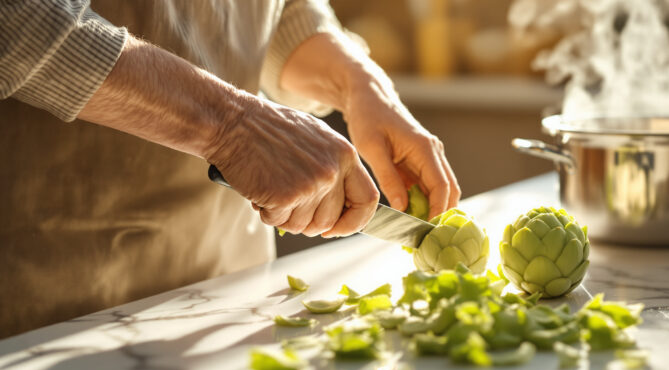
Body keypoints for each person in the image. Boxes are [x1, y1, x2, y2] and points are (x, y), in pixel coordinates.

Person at [0, 0, 460, 338]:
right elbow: (17, 19)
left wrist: (358, 81)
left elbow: (270, 11)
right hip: (51, 306)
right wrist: (232, 124)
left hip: (230, 292)